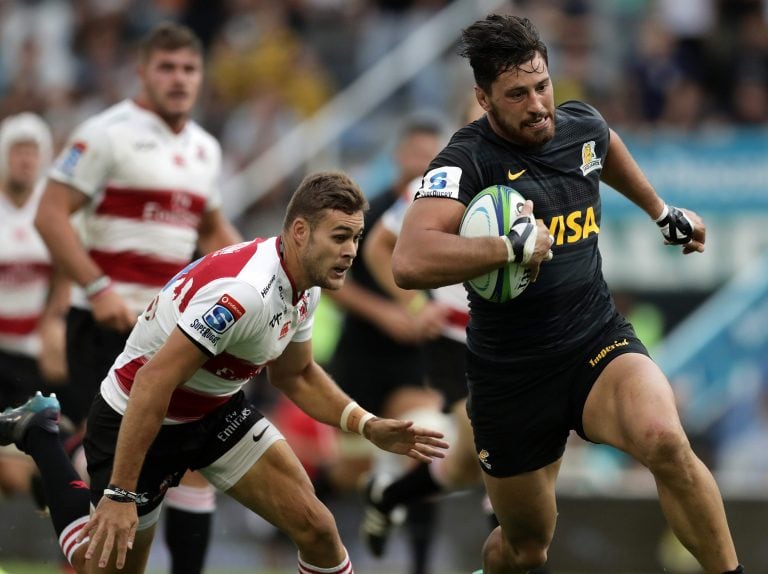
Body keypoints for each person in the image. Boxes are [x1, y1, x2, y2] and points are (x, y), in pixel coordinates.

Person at [391, 14, 743, 574]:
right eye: (517, 95)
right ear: (483, 99)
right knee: (525, 549)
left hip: (594, 343)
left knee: (666, 441)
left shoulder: (579, 125)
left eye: (542, 86)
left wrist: (661, 212)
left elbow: (606, 147)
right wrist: (507, 247)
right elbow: (408, 261)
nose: (537, 105)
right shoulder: (465, 160)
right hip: (511, 377)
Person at [0, 170, 448, 574]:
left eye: (355, 237)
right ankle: (42, 435)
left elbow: (296, 375)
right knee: (98, 567)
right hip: (137, 416)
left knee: (318, 530)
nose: (351, 252)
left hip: (216, 410)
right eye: (339, 237)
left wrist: (367, 426)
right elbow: (154, 380)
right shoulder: (245, 292)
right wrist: (120, 493)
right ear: (299, 231)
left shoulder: (305, 283)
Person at [34, 22, 242, 574]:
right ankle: (49, 458)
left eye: (188, 69)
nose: (178, 79)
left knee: (194, 461)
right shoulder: (105, 134)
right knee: (106, 469)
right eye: (166, 68)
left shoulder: (205, 149)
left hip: (171, 332)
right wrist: (97, 287)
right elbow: (50, 214)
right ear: (143, 72)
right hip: (104, 324)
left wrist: (265, 279)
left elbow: (217, 233)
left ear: (201, 77)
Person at [324, 117, 448, 574]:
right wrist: (387, 314)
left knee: (427, 446)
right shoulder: (368, 214)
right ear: (399, 156)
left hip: (412, 361)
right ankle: (299, 539)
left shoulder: (443, 217)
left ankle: (420, 564)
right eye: (416, 153)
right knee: (347, 472)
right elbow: (334, 283)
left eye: (432, 157)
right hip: (359, 357)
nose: (423, 164)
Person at [0, 112, 68, 496]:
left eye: (32, 151)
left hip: (31, 352)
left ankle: (66, 527)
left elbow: (65, 270)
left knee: (32, 460)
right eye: (17, 150)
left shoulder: (49, 211)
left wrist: (53, 320)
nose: (25, 160)